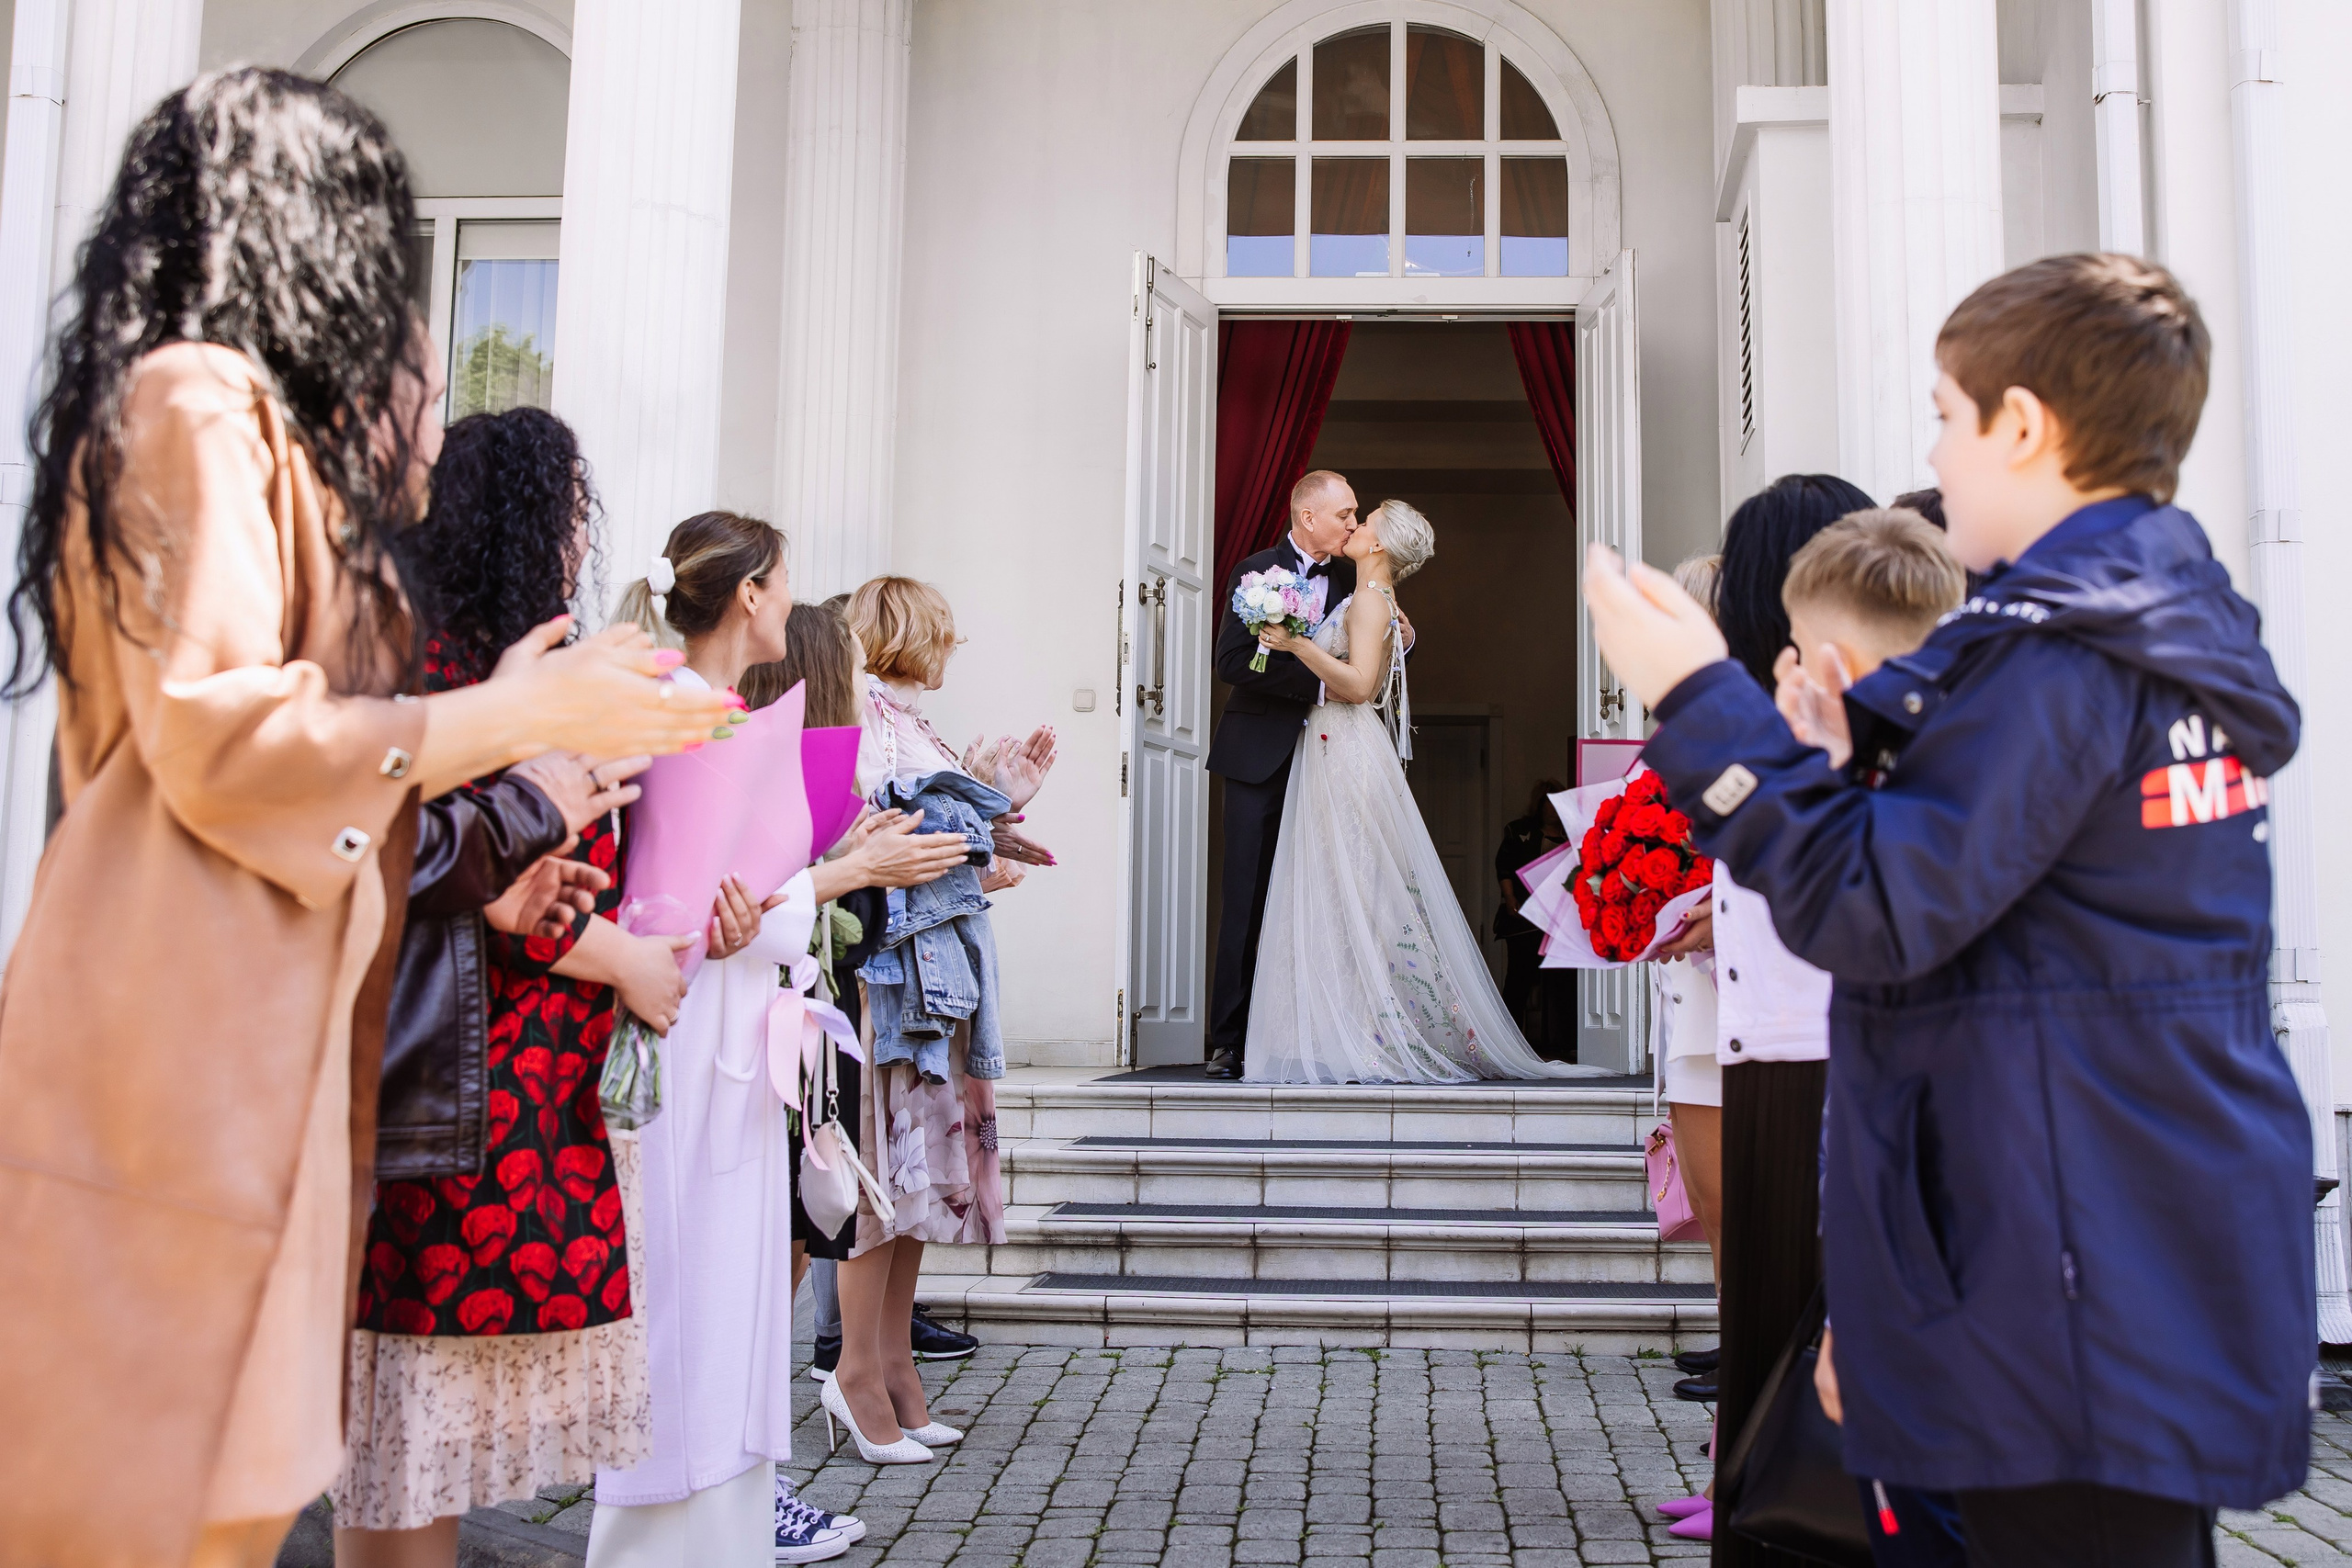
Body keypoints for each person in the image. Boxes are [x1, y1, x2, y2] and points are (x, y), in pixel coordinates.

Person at [0, 70, 729, 1568]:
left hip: (257, 1069)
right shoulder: (196, 398)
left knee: (224, 1501)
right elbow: (228, 739)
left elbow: (331, 793)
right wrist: (535, 733)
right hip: (172, 1069)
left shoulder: (246, 435)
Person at [1588, 253, 2312, 1566]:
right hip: (2092, 1249)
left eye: (1943, 412)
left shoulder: (2066, 657)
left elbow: (1875, 913)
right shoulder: (2130, 634)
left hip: (2068, 1278)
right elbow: (2003, 919)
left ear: (2023, 426)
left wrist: (1700, 697)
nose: (1933, 449)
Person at [336, 408, 710, 1568]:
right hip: (460, 1086)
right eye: (571, 511)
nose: (580, 533)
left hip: (499, 1084)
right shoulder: (449, 669)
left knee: (413, 1436)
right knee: (408, 1429)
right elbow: (440, 864)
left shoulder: (467, 659)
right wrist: (588, 907)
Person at [586, 518, 967, 1568]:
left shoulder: (715, 716)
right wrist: (839, 877)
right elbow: (681, 905)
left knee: (740, 1297)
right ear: (750, 594)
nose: (801, 603)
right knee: (688, 1296)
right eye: (786, 580)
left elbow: (745, 897)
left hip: (749, 1030)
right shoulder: (668, 716)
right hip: (691, 1031)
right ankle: (664, 1535)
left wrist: (829, 863)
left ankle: (736, 1523)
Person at [1246, 500, 1602, 1084]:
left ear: (1381, 545)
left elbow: (1360, 686)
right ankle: (1349, 1031)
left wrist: (1297, 646)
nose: (1356, 525)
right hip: (1341, 746)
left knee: (1352, 889)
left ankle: (1359, 1036)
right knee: (1347, 888)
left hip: (1345, 747)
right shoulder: (1378, 600)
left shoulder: (1368, 599)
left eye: (1367, 521)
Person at [840, 576, 1049, 1463]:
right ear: (908, 632)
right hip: (893, 984)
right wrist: (977, 833)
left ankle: (895, 1365)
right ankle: (855, 1371)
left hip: (940, 977)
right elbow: (876, 841)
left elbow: (937, 850)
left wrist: (993, 825)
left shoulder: (911, 721)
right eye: (944, 633)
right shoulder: (862, 715)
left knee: (918, 1183)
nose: (952, 647)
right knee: (882, 1185)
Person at [1203, 469, 1359, 1078]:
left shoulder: (1351, 576)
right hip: (1256, 752)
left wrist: (1409, 636)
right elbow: (1232, 662)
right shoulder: (1256, 570)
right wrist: (1319, 681)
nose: (1351, 523)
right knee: (1247, 893)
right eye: (1343, 514)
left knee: (1325, 890)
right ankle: (1229, 1039)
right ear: (1307, 516)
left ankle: (1316, 1030)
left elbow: (1374, 645)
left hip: (1329, 752)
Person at [1492, 778, 1571, 1054]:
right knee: (1519, 979)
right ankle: (1509, 1046)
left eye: (1556, 803)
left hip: (1560, 919)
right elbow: (1504, 866)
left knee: (1563, 982)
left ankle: (1563, 1045)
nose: (1551, 809)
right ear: (1538, 805)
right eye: (1546, 803)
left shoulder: (1573, 834)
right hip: (1524, 919)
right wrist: (1510, 897)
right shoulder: (1519, 831)